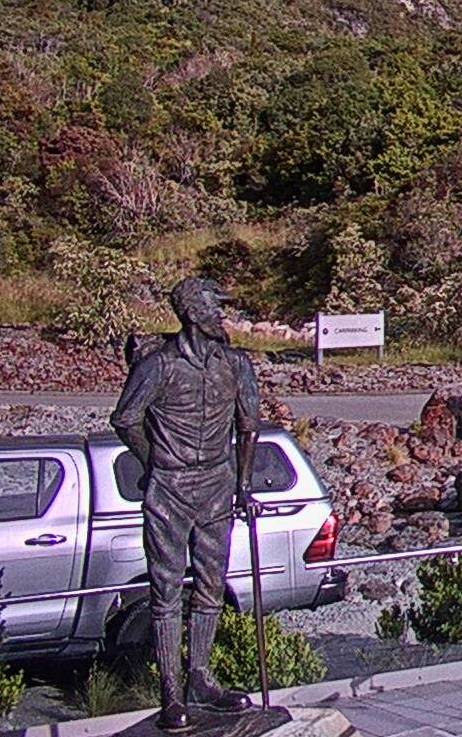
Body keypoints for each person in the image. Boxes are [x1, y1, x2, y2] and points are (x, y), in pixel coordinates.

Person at [111, 277, 261, 729]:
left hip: (217, 486)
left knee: (212, 586)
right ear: (193, 314)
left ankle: (200, 678)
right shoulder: (158, 365)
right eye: (216, 308)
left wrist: (243, 486)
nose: (222, 316)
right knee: (167, 591)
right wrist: (156, 461)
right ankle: (171, 694)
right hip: (170, 491)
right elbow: (126, 419)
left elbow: (248, 426)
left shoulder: (236, 364)